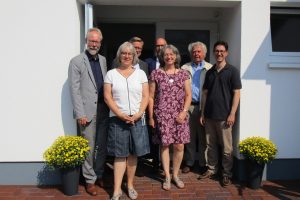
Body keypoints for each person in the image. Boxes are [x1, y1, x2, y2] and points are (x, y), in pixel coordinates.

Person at [104, 42, 150, 200]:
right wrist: (120, 114)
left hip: (137, 119)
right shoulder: (111, 74)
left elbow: (146, 96)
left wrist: (138, 114)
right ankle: (117, 190)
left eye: (130, 54)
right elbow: (107, 97)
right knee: (119, 155)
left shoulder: (141, 74)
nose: (127, 56)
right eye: (124, 53)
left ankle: (130, 185)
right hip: (118, 120)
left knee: (133, 154)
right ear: (119, 55)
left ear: (134, 56)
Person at [68, 27, 109, 196]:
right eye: (91, 41)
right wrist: (80, 114)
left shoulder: (103, 60)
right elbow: (74, 90)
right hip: (87, 112)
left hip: (103, 109)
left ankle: (99, 173)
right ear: (86, 41)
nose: (94, 44)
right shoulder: (76, 61)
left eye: (97, 41)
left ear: (100, 42)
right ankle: (89, 180)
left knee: (102, 145)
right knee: (89, 147)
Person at [148, 45, 192, 191]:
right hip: (162, 115)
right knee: (165, 145)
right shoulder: (156, 74)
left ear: (176, 56)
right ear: (162, 57)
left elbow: (188, 95)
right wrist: (151, 117)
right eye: (166, 54)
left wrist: (184, 112)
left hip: (180, 115)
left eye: (171, 54)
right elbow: (150, 96)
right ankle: (167, 176)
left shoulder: (184, 74)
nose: (169, 57)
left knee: (179, 145)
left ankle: (175, 175)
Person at [199, 41, 242, 186]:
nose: (219, 53)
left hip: (225, 117)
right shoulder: (210, 71)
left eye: (222, 51)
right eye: (217, 51)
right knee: (210, 145)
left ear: (226, 53)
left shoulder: (232, 71)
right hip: (210, 116)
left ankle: (226, 174)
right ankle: (211, 169)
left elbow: (236, 93)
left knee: (227, 147)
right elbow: (205, 93)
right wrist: (203, 113)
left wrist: (232, 113)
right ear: (213, 52)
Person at [181, 42, 212, 174]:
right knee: (189, 137)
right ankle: (189, 162)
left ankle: (203, 163)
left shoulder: (210, 68)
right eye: (194, 52)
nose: (196, 54)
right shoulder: (184, 67)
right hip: (188, 106)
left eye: (199, 51)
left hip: (203, 106)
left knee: (204, 137)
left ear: (204, 53)